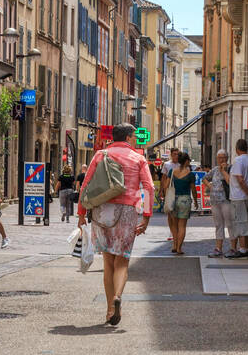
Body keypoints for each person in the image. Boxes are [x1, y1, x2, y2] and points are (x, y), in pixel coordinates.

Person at [77, 123, 153, 326]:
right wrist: (146, 216)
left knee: (108, 262)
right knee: (122, 261)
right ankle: (118, 296)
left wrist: (81, 213)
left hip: (102, 210)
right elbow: (149, 187)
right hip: (127, 212)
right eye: (134, 136)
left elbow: (86, 184)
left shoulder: (101, 155)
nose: (135, 139)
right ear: (128, 137)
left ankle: (110, 309)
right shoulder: (138, 158)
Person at [229, 138, 248, 258]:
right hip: (247, 198)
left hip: (239, 197)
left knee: (240, 222)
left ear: (237, 149)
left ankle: (242, 249)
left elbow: (240, 179)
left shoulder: (238, 160)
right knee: (247, 222)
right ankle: (246, 248)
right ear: (247, 148)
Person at [205, 151, 235, 258]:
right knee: (218, 225)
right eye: (219, 157)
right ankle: (218, 248)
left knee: (230, 224)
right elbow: (205, 178)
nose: (221, 160)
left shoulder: (231, 169)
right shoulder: (214, 170)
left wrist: (224, 171)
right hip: (215, 201)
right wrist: (210, 186)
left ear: (227, 158)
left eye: (223, 157)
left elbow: (231, 182)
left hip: (226, 200)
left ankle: (233, 248)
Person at [167, 151, 197, 255]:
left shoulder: (172, 172)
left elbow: (167, 185)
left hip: (174, 199)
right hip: (185, 200)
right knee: (182, 226)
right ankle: (179, 248)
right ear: (186, 161)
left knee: (174, 225)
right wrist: (196, 202)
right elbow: (193, 190)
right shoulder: (190, 174)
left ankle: (174, 245)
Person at [160, 148, 180, 240]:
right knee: (170, 213)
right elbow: (163, 178)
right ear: (171, 155)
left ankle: (177, 231)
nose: (176, 156)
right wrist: (162, 191)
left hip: (179, 191)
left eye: (178, 154)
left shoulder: (181, 164)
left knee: (178, 213)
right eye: (174, 154)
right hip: (169, 190)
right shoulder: (167, 164)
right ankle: (172, 232)